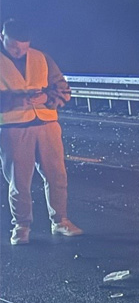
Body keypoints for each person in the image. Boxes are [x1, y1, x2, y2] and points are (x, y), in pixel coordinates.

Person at [0, 18, 82, 245]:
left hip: (47, 124)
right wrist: (16, 100)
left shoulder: (42, 58)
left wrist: (47, 97)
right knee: (19, 181)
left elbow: (64, 89)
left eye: (24, 47)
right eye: (14, 46)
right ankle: (21, 226)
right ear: (2, 37)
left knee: (57, 175)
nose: (19, 51)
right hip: (13, 128)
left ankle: (61, 221)